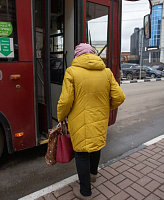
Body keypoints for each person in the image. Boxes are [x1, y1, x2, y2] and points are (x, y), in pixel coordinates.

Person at [57, 43, 126, 200]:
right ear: (93, 54)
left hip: (79, 120)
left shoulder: (71, 72)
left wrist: (61, 116)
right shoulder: (107, 72)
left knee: (81, 153)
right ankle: (93, 175)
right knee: (95, 146)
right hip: (100, 119)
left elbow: (65, 101)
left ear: (77, 56)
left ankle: (85, 192)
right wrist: (105, 108)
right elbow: (119, 97)